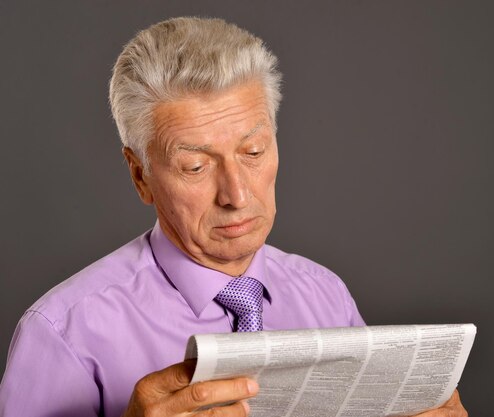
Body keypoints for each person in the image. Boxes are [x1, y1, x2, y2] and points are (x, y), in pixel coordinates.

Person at [0, 17, 467, 417]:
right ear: (140, 175)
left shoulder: (326, 295)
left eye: (254, 151)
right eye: (195, 166)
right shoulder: (64, 332)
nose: (237, 194)